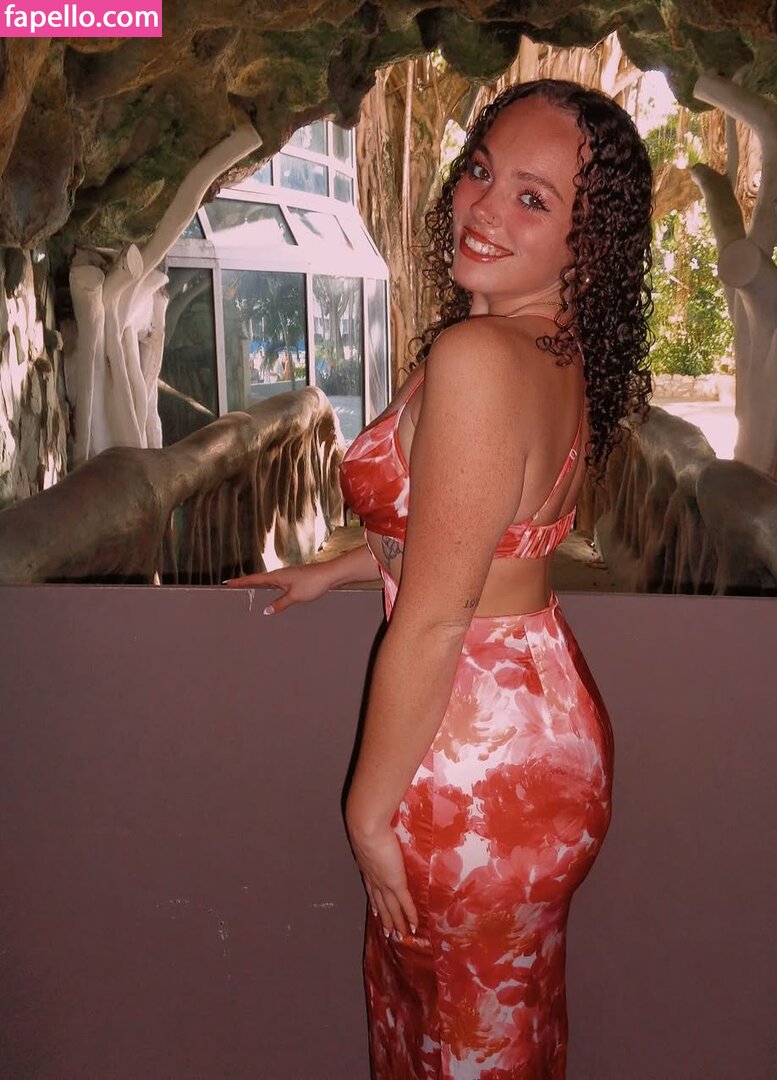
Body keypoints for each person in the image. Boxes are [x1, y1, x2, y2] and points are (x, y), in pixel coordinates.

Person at [227, 78, 653, 1078]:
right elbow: (490, 543)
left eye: (532, 198)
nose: (483, 208)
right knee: (495, 1020)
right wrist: (341, 569)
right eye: (480, 172)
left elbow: (432, 622)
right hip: (532, 718)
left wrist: (365, 815)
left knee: (457, 1036)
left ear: (586, 245)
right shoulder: (547, 347)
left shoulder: (477, 357)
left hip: (469, 750)